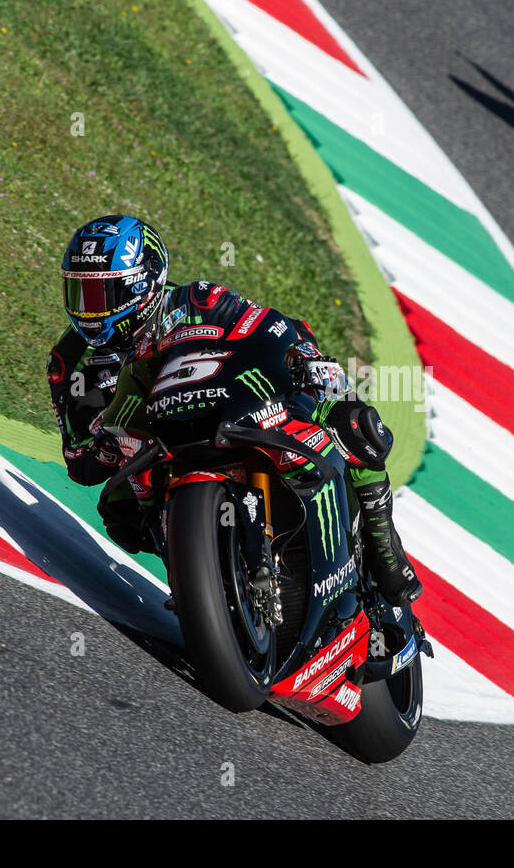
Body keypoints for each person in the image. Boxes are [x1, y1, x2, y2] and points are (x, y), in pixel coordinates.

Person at [48, 214, 422, 605]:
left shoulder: (196, 300)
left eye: (101, 297)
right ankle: (202, 579)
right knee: (119, 513)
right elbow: (79, 464)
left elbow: (271, 327)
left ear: (144, 284)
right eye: (79, 296)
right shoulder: (70, 362)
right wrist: (104, 447)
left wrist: (309, 357)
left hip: (231, 414)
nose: (89, 312)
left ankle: (384, 548)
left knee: (352, 419)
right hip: (151, 453)